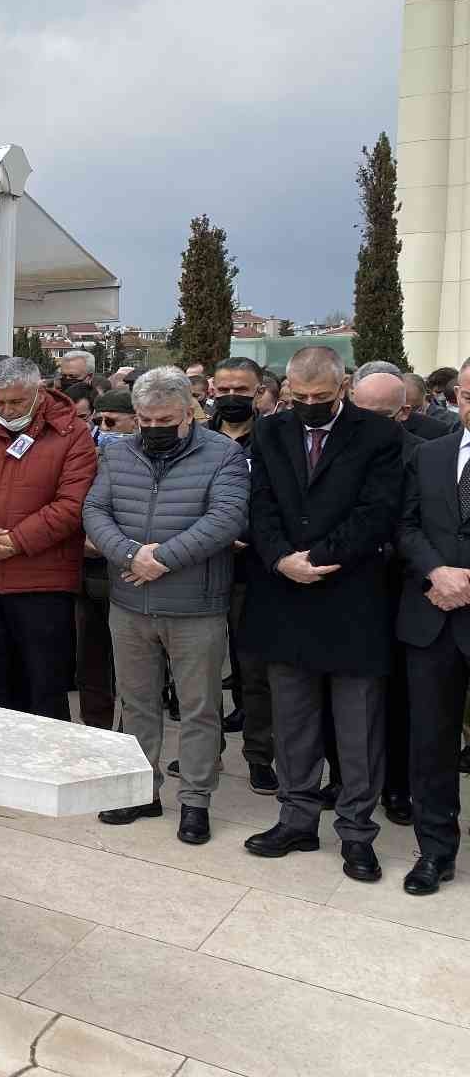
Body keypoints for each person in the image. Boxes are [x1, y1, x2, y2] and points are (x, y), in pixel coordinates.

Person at [240, 346, 403, 883]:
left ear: (344, 387)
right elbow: (259, 503)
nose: (309, 405)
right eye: (300, 396)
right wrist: (281, 558)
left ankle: (357, 833)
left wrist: (319, 558)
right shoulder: (270, 432)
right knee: (293, 721)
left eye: (321, 397)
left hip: (351, 596)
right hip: (285, 593)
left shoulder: (378, 436)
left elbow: (376, 513)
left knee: (357, 727)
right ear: (286, 389)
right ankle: (297, 819)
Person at [83, 368, 250, 844]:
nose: (154, 427)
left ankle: (195, 801)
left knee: (199, 709)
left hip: (195, 606)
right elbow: (95, 510)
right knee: (137, 704)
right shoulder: (117, 453)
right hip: (130, 602)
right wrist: (131, 555)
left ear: (189, 412)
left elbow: (226, 518)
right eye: (145, 419)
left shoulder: (223, 455)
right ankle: (141, 791)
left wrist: (162, 560)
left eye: (165, 419)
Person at [0, 357, 97, 720]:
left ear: (38, 393)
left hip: (41, 584)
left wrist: (15, 541)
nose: (6, 410)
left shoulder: (71, 434)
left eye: (15, 402)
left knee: (43, 687)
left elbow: (71, 505)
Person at [395, 357, 470, 893]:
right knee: (431, 743)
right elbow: (406, 523)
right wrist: (437, 570)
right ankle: (435, 851)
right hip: (432, 617)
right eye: (468, 395)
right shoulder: (432, 453)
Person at [351, 370, 422, 827]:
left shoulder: (422, 455)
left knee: (397, 696)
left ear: (403, 413)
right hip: (345, 588)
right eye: (360, 411)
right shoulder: (336, 449)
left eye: (379, 414)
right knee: (341, 692)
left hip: (400, 590)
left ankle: (397, 785)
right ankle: (343, 780)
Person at [206, 356, 277, 793]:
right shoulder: (195, 436)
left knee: (255, 673)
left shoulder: (275, 438)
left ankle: (258, 757)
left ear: (258, 391)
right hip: (204, 566)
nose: (232, 397)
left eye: (242, 390)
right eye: (224, 389)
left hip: (255, 569)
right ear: (213, 389)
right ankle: (204, 752)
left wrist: (248, 536)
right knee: (203, 671)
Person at [75, 389, 138, 730]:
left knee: (133, 666)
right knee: (92, 660)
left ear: (136, 421)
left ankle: (131, 730)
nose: (102, 428)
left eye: (111, 421)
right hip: (93, 575)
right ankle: (95, 726)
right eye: (97, 421)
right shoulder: (89, 457)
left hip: (133, 575)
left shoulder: (148, 461)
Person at [402, 373, 452, 441]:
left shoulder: (450, 421)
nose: (408, 415)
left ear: (425, 395)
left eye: (416, 409)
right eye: (403, 409)